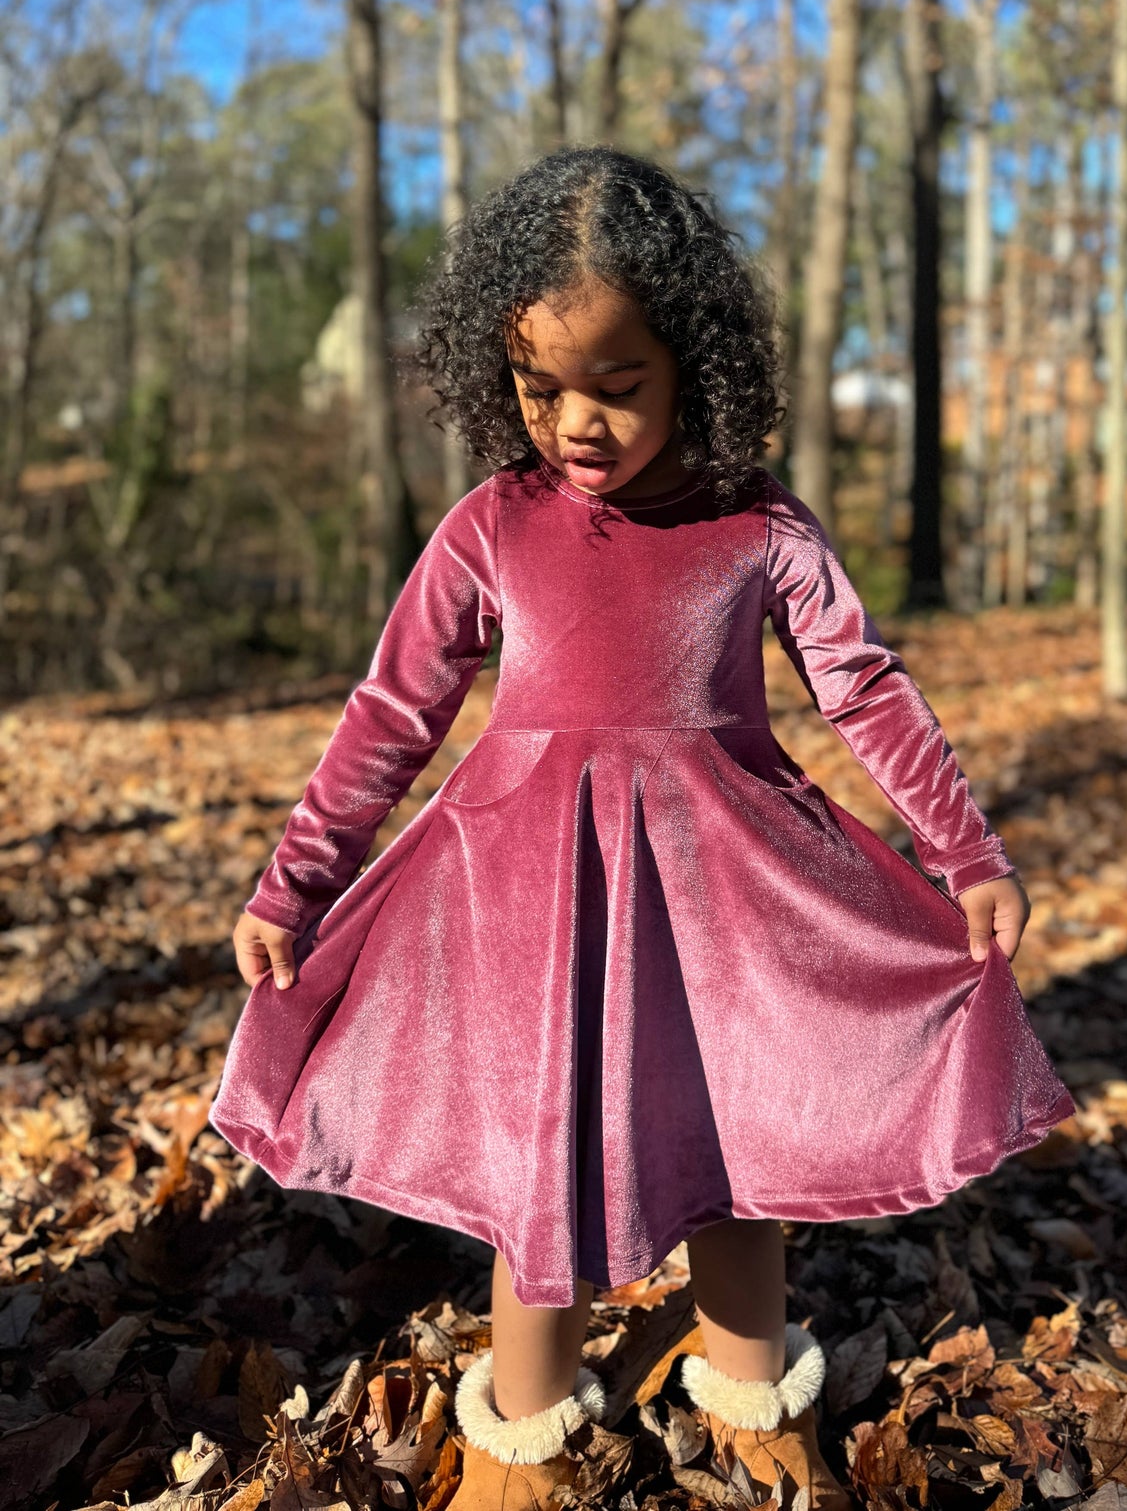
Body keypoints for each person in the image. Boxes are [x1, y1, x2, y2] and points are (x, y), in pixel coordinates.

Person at [211, 145, 1073, 1511]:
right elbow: (393, 709)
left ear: (692, 365)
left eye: (616, 388)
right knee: (535, 1147)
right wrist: (294, 882)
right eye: (536, 388)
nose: (576, 423)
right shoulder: (493, 524)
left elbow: (861, 685)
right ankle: (526, 1427)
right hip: (526, 894)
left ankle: (745, 1387)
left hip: (729, 888)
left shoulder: (756, 525)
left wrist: (962, 851)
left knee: (739, 1130)